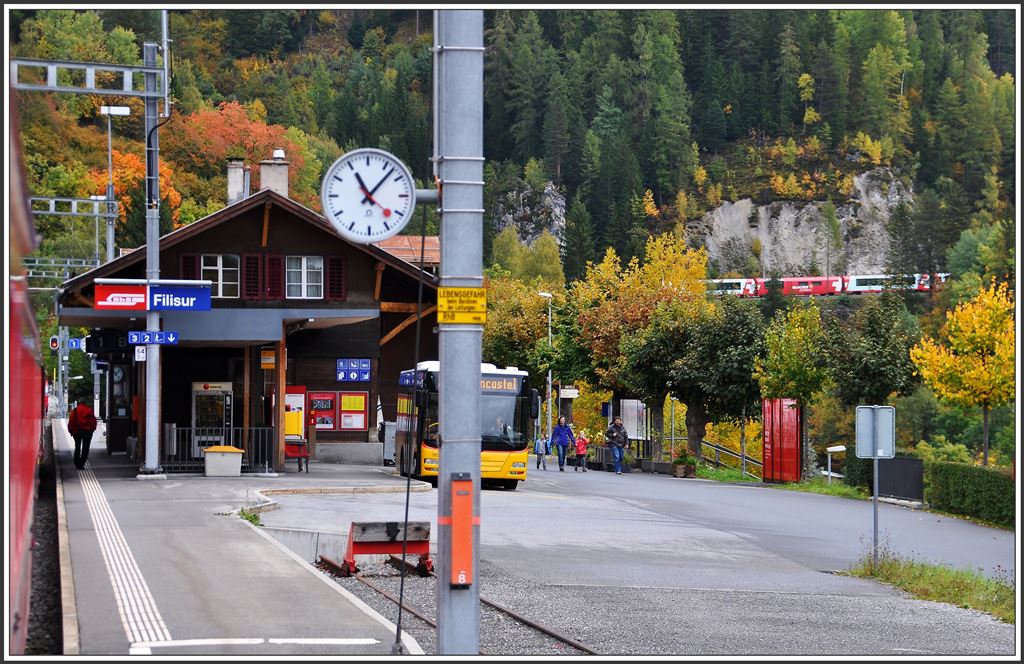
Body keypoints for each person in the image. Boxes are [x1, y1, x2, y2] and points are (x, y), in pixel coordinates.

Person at [68, 400, 98, 470]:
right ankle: (81, 464)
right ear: (86, 403)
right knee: (85, 448)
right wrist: (92, 429)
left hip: (77, 432)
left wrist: (71, 431)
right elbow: (93, 421)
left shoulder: (74, 411)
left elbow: (71, 422)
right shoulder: (89, 410)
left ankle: (77, 463)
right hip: (87, 432)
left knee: (77, 447)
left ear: (78, 403)